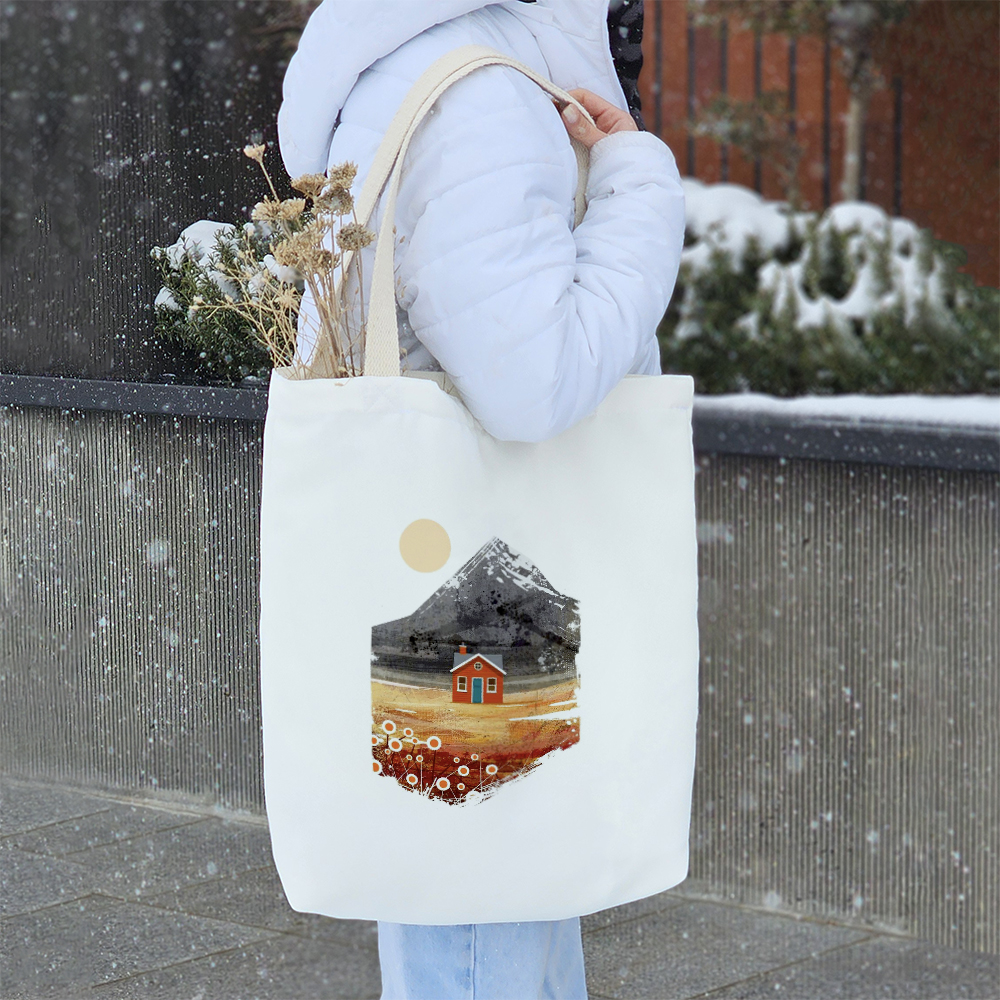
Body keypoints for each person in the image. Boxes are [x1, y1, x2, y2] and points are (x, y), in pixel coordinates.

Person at [278, 1, 684, 996]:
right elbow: (532, 384)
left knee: (491, 884)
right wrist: (637, 186)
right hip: (483, 597)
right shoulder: (479, 95)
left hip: (458, 580)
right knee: (484, 904)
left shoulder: (429, 61)